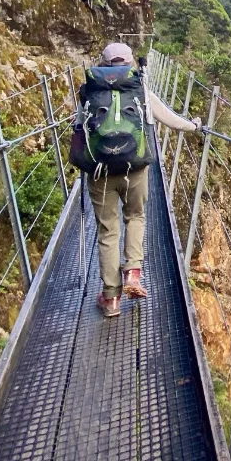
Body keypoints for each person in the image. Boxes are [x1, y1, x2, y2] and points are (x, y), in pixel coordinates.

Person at [70, 42, 200, 318]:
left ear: (102, 64)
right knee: (136, 217)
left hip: (100, 172)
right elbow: (170, 119)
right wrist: (195, 126)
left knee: (107, 230)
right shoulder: (139, 90)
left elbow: (80, 129)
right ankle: (132, 273)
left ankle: (111, 299)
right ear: (130, 64)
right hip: (135, 168)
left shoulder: (88, 92)